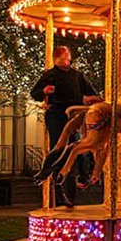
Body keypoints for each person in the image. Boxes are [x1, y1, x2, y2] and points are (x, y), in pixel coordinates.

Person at [30, 46, 101, 208]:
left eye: (66, 56)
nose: (64, 60)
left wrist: (90, 99)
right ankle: (53, 180)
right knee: (60, 148)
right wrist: (44, 91)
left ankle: (83, 175)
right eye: (60, 58)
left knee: (78, 148)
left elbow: (91, 93)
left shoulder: (77, 76)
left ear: (69, 57)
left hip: (75, 116)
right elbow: (34, 93)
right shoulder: (50, 75)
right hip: (57, 115)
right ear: (57, 59)